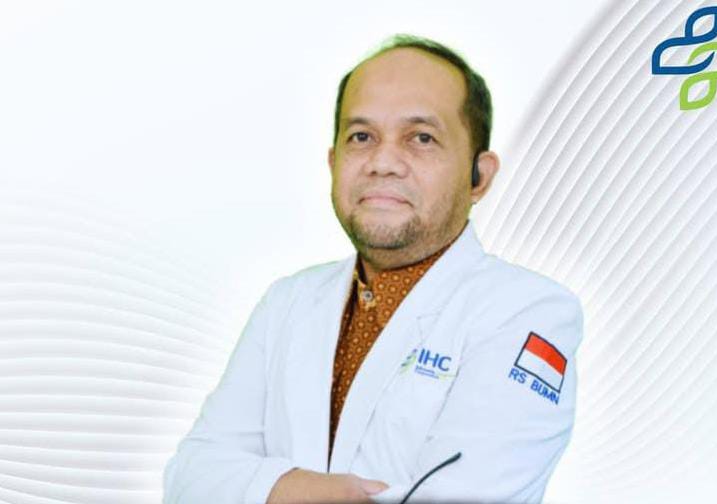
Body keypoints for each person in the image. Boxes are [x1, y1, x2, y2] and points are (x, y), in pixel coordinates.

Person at [162, 34, 584, 504]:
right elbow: (189, 479)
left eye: (421, 138)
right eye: (361, 137)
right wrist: (301, 489)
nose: (383, 163)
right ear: (333, 162)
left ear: (479, 177)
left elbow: (466, 497)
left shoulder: (529, 313)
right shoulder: (286, 302)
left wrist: (256, 489)